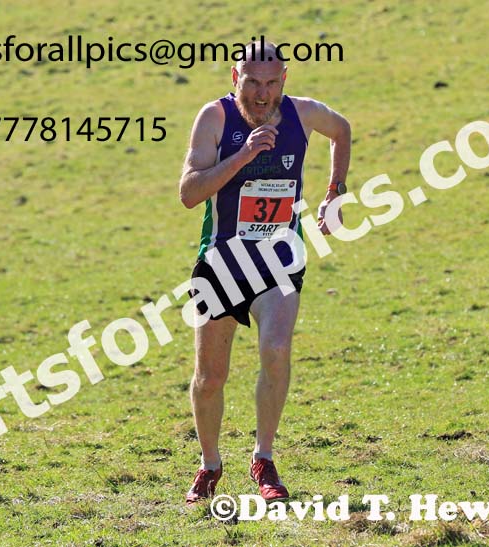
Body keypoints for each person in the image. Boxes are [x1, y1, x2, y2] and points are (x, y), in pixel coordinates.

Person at [178, 40, 351, 504]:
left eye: (271, 83)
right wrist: (243, 157)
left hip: (279, 260)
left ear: (284, 80)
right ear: (235, 78)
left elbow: (342, 130)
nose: (261, 93)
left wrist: (336, 191)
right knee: (211, 377)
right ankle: (210, 465)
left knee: (276, 349)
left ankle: (264, 457)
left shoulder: (303, 113)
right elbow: (190, 193)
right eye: (252, 82)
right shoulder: (215, 119)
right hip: (221, 262)